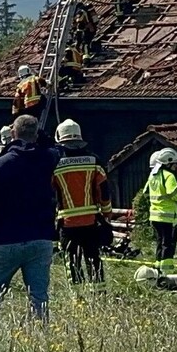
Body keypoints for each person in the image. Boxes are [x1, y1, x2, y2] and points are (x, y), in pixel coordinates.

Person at [0, 114, 62, 320]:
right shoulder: (49, 159)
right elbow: (57, 148)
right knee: (39, 296)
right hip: (41, 238)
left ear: (13, 133)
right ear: (37, 134)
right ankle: (41, 336)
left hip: (6, 239)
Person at [52, 119, 112, 288]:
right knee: (93, 258)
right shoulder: (94, 160)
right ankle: (99, 293)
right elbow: (104, 192)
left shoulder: (55, 164)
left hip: (67, 223)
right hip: (91, 221)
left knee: (72, 260)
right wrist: (107, 216)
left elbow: (49, 193)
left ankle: (78, 298)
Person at [146, 148, 177, 274]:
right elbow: (173, 192)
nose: (175, 167)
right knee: (168, 243)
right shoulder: (169, 176)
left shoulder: (153, 176)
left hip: (155, 216)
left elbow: (146, 192)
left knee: (159, 241)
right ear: (168, 163)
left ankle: (158, 267)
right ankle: (167, 271)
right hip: (167, 216)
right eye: (174, 164)